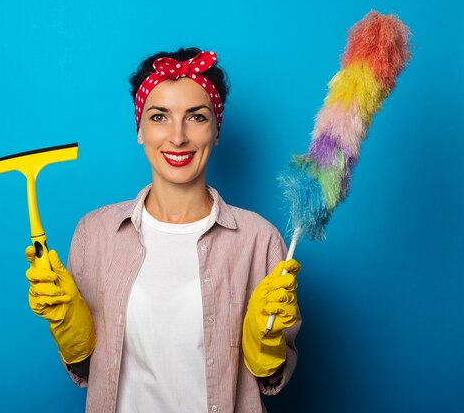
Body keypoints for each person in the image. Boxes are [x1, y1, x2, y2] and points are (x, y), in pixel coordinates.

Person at [24, 47, 301, 413]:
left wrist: (266, 346)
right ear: (139, 128)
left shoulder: (260, 240)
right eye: (159, 117)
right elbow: (87, 371)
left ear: (216, 130)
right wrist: (69, 332)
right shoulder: (95, 234)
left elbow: (270, 381)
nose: (178, 137)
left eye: (196, 117)